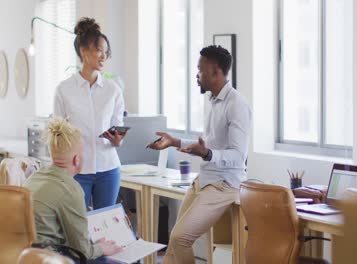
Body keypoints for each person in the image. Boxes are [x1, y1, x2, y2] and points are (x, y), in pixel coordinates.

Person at [147, 45, 252, 264]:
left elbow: (238, 156)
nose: (197, 74)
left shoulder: (237, 105)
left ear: (215, 71)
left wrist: (207, 153)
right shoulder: (214, 101)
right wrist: (174, 142)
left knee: (179, 238)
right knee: (172, 249)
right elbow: (208, 146)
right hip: (205, 179)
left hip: (224, 184)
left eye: (200, 69)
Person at [24, 117, 122, 260]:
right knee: (109, 256)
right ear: (77, 159)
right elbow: (83, 251)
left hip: (23, 254)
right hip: (47, 258)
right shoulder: (70, 190)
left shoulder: (34, 177)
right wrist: (102, 247)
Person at [54, 17, 126, 209]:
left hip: (108, 169)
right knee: (78, 225)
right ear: (83, 51)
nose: (104, 56)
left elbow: (117, 125)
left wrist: (118, 139)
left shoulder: (113, 90)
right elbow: (57, 134)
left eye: (106, 52)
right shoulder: (64, 89)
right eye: (99, 50)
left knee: (105, 226)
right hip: (77, 171)